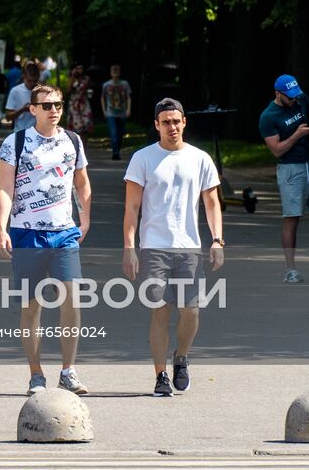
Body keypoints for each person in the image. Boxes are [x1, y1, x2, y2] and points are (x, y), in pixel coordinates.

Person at [122, 98, 224, 398]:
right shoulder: (143, 158)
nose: (172, 127)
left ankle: (181, 357)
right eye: (166, 122)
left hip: (189, 248)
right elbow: (132, 207)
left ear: (184, 122)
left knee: (191, 311)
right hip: (153, 247)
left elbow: (212, 203)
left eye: (176, 121)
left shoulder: (200, 158)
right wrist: (129, 246)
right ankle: (160, 375)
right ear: (156, 125)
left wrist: (217, 240)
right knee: (160, 311)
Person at [0, 83, 92, 396]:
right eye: (47, 106)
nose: (54, 111)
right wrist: (1, 228)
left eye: (58, 105)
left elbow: (82, 183)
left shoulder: (73, 142)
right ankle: (36, 373)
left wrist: (86, 218)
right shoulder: (16, 142)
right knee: (31, 306)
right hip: (26, 233)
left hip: (63, 232)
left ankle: (68, 370)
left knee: (72, 298)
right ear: (32, 109)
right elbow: (5, 188)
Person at [258, 74, 309, 284]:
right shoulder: (268, 117)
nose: (295, 100)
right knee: (292, 218)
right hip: (290, 169)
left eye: (296, 95)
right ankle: (290, 269)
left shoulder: (301, 99)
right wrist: (296, 135)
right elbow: (277, 151)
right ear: (278, 94)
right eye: (290, 97)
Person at [102, 64, 133, 161]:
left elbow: (128, 97)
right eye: (113, 71)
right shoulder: (106, 85)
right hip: (111, 113)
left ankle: (117, 150)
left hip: (122, 112)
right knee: (113, 132)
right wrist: (104, 110)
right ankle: (115, 153)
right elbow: (103, 98)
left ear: (119, 72)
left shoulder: (124, 84)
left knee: (120, 133)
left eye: (117, 71)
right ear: (110, 73)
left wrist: (128, 109)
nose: (115, 72)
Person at [4, 62, 42, 134]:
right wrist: (23, 109)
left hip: (39, 134)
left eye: (35, 81)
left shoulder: (42, 91)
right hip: (20, 132)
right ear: (24, 76)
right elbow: (8, 117)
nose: (32, 84)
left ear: (38, 77)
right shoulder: (15, 91)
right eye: (29, 81)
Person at [64, 64, 93, 136]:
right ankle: (76, 144)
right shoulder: (72, 79)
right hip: (74, 104)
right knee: (75, 126)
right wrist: (73, 76)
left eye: (81, 68)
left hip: (84, 103)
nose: (80, 70)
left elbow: (89, 89)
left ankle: (84, 146)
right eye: (78, 68)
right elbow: (68, 91)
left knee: (85, 126)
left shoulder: (86, 78)